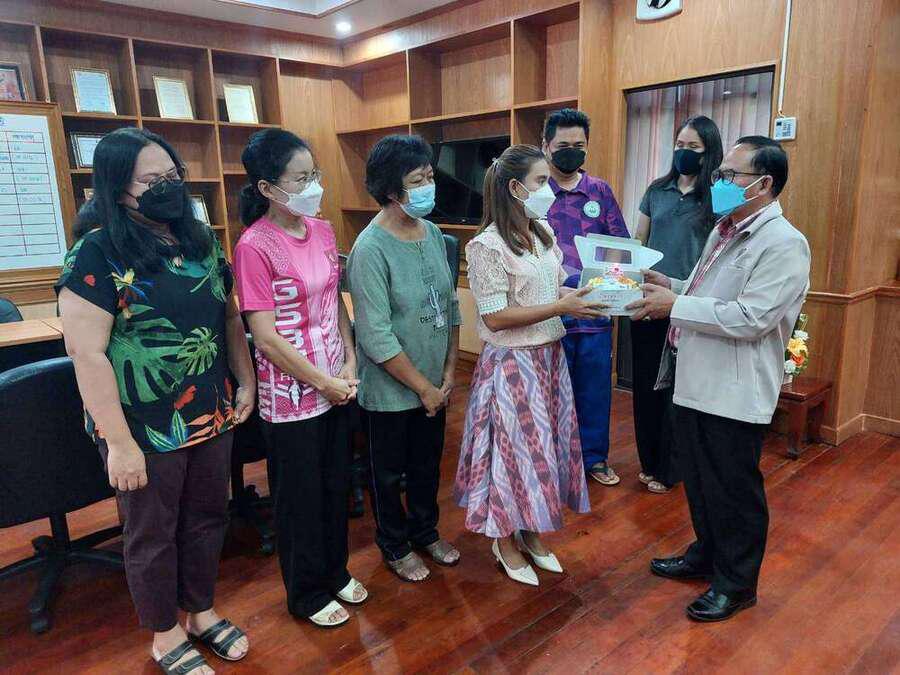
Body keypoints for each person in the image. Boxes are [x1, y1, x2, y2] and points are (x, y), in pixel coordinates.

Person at [56, 128, 254, 674]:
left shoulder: (200, 240)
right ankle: (166, 634)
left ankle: (201, 612)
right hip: (142, 427)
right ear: (117, 188)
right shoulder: (96, 252)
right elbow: (86, 354)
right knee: (152, 534)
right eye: (151, 180)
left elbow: (228, 317)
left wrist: (247, 382)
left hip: (210, 411)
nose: (167, 188)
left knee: (208, 518)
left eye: (173, 176)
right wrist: (119, 445)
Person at [628, 136, 810, 622]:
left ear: (763, 184)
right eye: (720, 174)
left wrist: (675, 305)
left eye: (730, 175)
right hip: (694, 378)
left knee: (733, 488)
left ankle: (737, 584)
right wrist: (673, 286)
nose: (720, 182)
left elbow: (752, 317)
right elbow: (707, 292)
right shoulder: (725, 229)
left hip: (733, 388)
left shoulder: (784, 243)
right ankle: (707, 555)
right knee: (700, 480)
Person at [233, 129, 367, 629]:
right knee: (299, 498)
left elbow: (334, 303)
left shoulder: (324, 231)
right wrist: (322, 382)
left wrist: (349, 360)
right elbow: (266, 338)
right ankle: (306, 592)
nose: (313, 186)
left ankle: (335, 571)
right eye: (300, 178)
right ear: (268, 188)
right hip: (291, 396)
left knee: (336, 486)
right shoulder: (254, 246)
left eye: (315, 174)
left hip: (337, 383)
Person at [455, 144, 599, 586]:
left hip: (549, 358)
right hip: (513, 364)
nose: (548, 189)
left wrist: (594, 291)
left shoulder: (542, 232)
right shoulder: (486, 246)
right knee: (511, 455)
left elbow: (554, 287)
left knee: (542, 452)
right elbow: (495, 317)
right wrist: (561, 306)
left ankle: (531, 531)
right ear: (515, 188)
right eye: (540, 181)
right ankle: (504, 541)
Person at [347, 134, 461, 583]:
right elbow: (375, 336)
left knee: (427, 466)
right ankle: (394, 545)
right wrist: (423, 388)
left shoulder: (431, 233)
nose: (429, 185)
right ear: (392, 190)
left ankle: (426, 532)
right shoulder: (370, 249)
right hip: (392, 391)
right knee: (389, 474)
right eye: (418, 180)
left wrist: (448, 372)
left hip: (435, 383)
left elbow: (449, 305)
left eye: (430, 175)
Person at [631, 115, 723, 494]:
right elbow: (638, 240)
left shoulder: (719, 195)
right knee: (646, 387)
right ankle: (649, 461)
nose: (683, 152)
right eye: (680, 145)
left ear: (708, 152)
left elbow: (724, 250)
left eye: (693, 147)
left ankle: (671, 469)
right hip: (648, 300)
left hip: (690, 305)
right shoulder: (656, 190)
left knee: (679, 391)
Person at [542, 109, 630, 487]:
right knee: (548, 391)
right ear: (546, 146)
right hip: (547, 311)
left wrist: (616, 292)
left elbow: (620, 247)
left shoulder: (599, 192)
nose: (571, 151)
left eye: (579, 145)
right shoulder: (534, 192)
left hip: (595, 310)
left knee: (594, 390)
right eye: (563, 145)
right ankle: (550, 458)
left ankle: (593, 458)